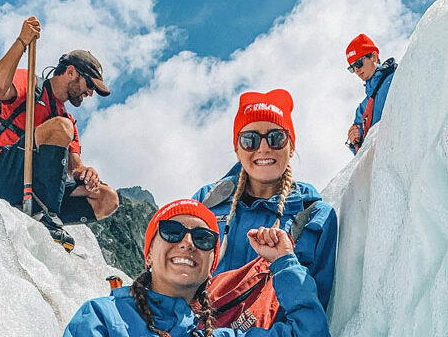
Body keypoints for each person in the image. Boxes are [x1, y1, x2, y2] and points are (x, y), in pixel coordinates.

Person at [63, 199, 330, 336]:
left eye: (203, 239)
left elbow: (309, 332)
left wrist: (283, 261)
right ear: (149, 255)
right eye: (171, 231)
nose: (187, 242)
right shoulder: (103, 317)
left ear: (210, 268)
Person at [193, 89, 337, 315]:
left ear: (291, 147)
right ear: (237, 149)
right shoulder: (208, 201)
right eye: (249, 139)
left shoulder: (315, 216)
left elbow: (312, 311)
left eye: (276, 137)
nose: (263, 148)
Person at [0, 16, 118, 249]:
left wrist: (86, 173)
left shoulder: (69, 122)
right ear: (70, 72)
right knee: (60, 127)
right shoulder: (30, 84)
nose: (90, 93)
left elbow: (75, 168)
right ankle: (48, 218)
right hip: (5, 171)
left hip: (37, 187)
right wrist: (22, 42)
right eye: (89, 85)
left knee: (108, 199)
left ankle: (45, 214)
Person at [345, 33, 397, 154]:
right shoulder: (362, 110)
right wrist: (354, 142)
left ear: (373, 56)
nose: (357, 70)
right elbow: (362, 158)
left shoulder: (396, 78)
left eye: (358, 63)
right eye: (352, 68)